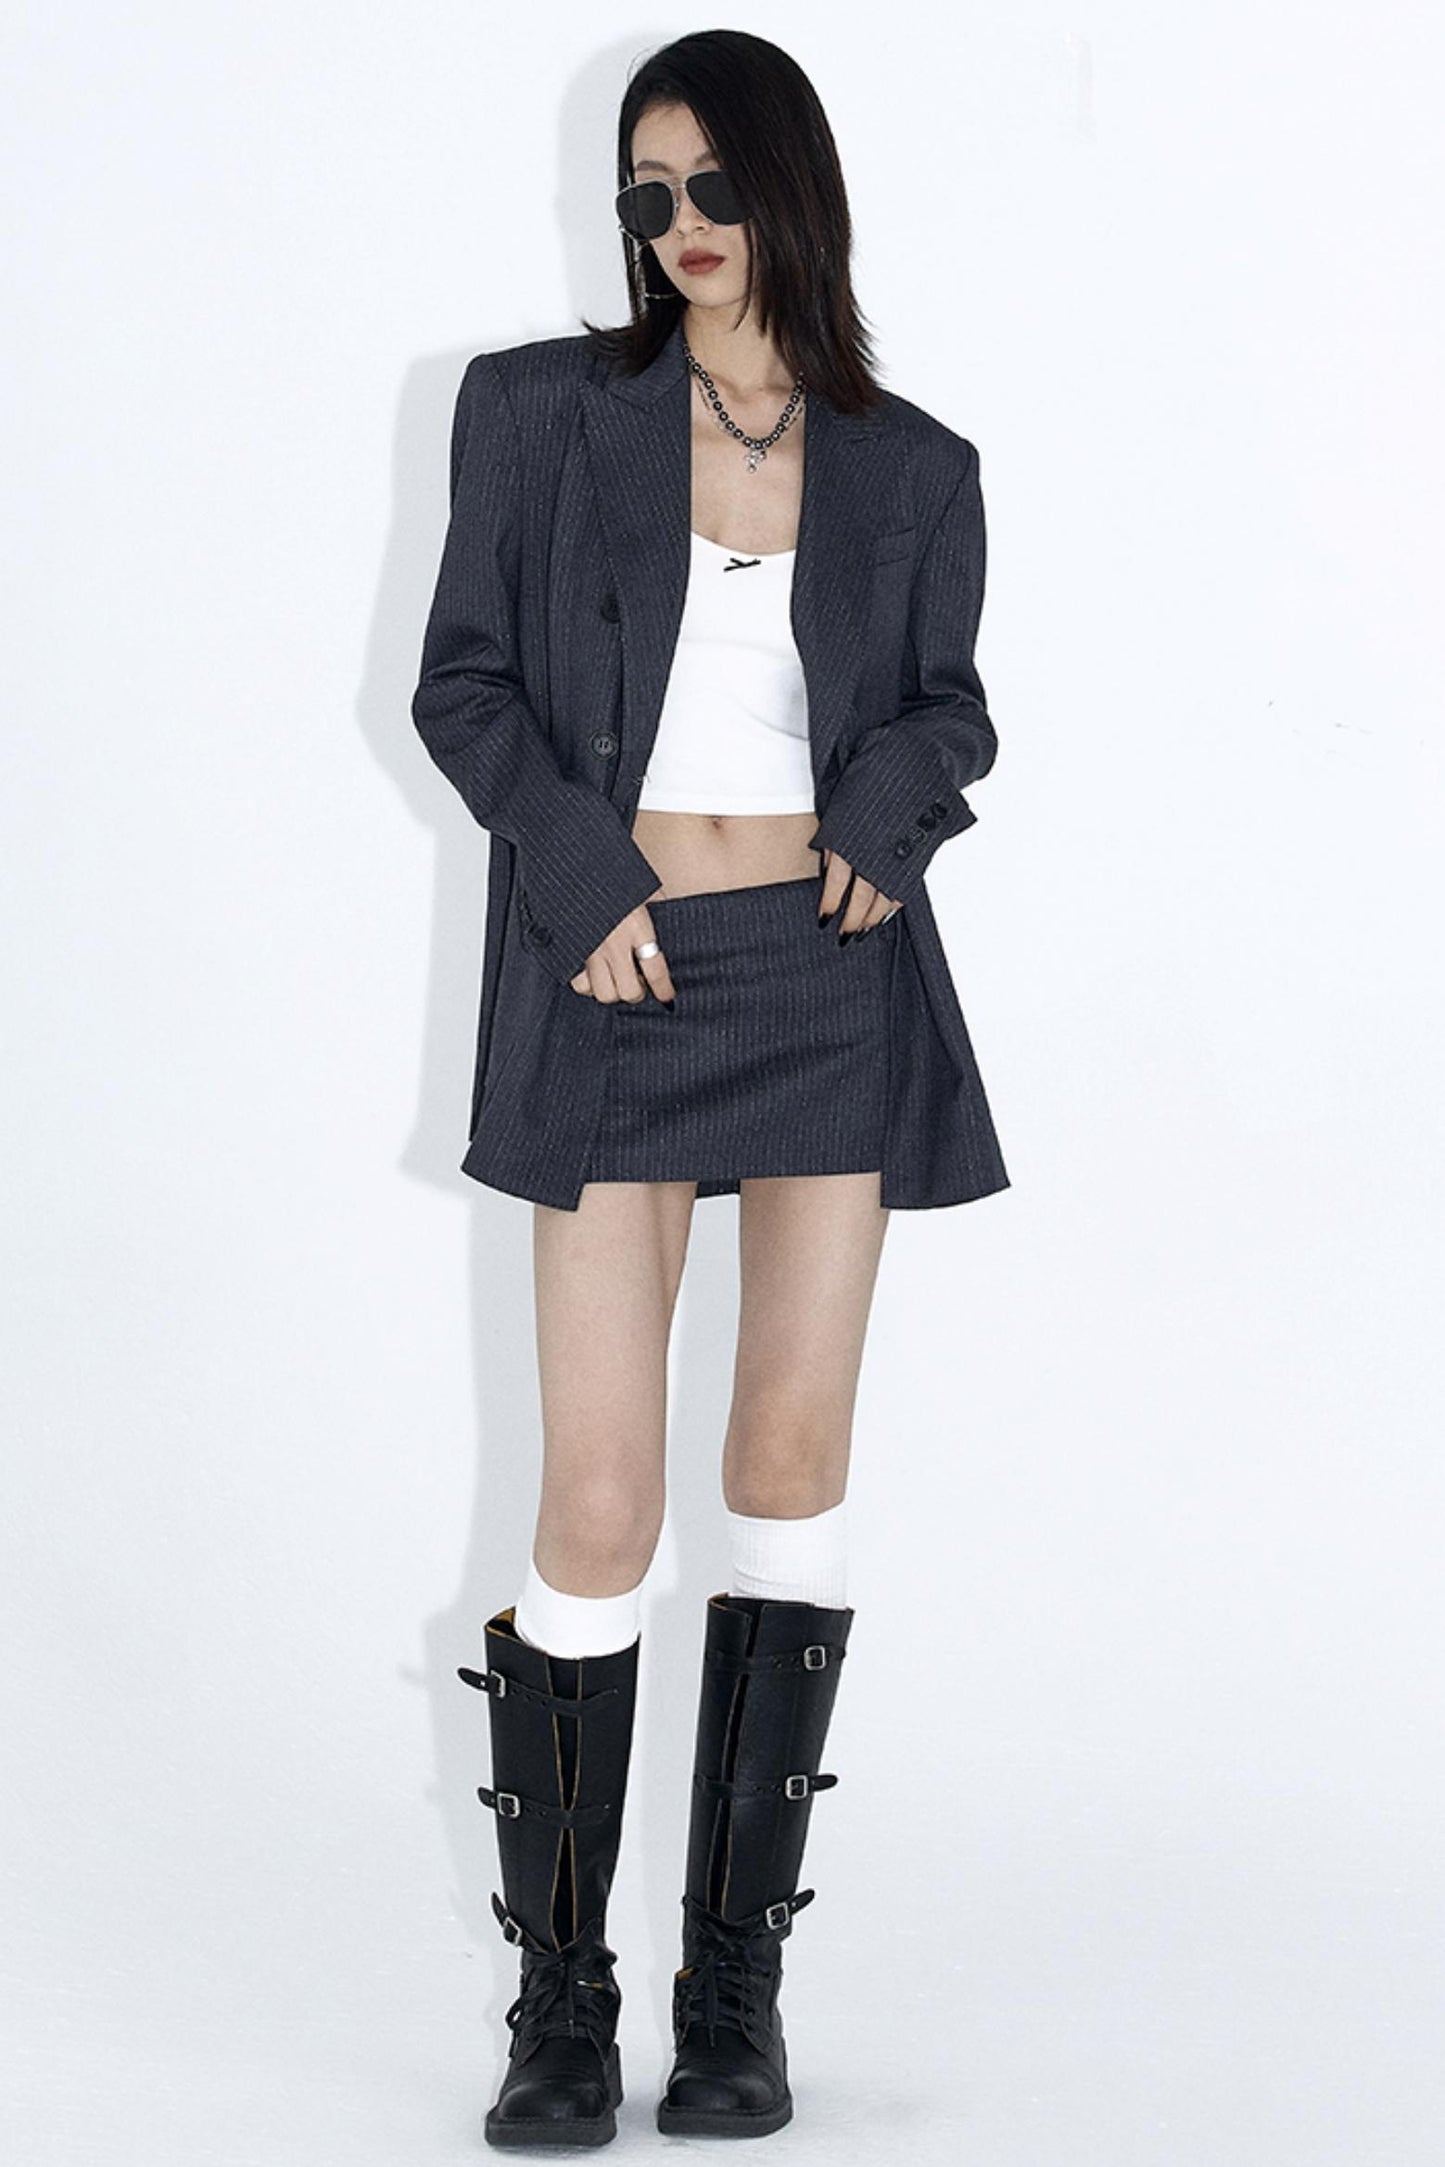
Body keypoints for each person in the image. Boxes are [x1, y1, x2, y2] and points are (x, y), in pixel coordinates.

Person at [413, 28, 1010, 2148]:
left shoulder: (913, 465)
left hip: (825, 977)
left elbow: (948, 711)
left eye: (712, 187)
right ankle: (561, 2003)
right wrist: (579, 883)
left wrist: (890, 811)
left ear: (790, 192)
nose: (676, 226)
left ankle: (730, 1989)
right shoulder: (538, 414)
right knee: (596, 1500)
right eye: (645, 193)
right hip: (618, 963)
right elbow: (465, 685)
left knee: (784, 1454)